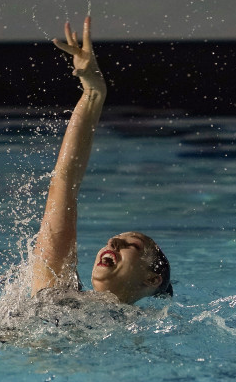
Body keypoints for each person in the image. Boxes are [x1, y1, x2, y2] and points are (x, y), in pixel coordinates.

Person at [30, 16, 172, 303]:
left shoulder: (141, 333)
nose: (112, 241)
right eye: (117, 240)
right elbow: (64, 182)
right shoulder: (57, 293)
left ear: (151, 279)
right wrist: (93, 94)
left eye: (132, 245)